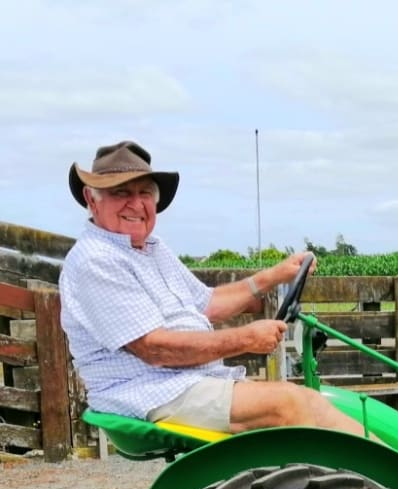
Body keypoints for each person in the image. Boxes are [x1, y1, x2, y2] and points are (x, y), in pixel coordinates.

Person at [59, 140, 365, 436]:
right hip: (151, 390)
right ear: (91, 198)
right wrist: (245, 339)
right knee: (293, 403)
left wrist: (275, 275)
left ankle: (394, 475)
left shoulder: (151, 249)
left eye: (144, 193)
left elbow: (207, 303)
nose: (136, 204)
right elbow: (154, 349)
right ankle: (391, 481)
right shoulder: (96, 260)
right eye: (121, 192)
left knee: (316, 401)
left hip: (187, 380)